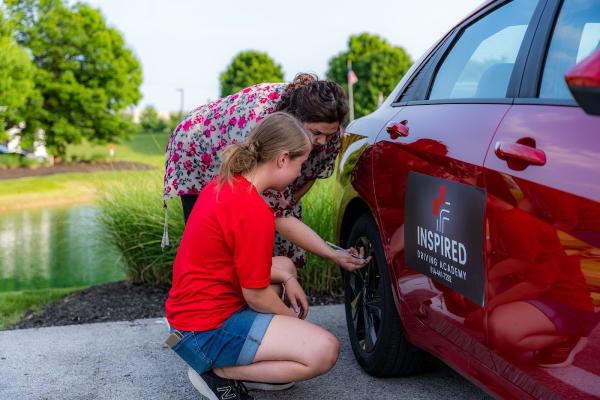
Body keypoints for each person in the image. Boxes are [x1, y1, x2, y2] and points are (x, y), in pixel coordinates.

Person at [165, 113, 368, 400]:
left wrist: (287, 276)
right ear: (283, 158)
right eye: (299, 164)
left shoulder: (226, 184)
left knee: (284, 265)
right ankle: (218, 372)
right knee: (323, 350)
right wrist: (295, 325)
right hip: (204, 331)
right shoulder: (253, 210)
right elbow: (256, 296)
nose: (300, 173)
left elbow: (243, 271)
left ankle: (251, 362)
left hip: (187, 316)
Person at [163, 73, 364, 272]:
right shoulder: (261, 124)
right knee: (217, 241)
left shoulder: (329, 136)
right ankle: (225, 291)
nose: (322, 141)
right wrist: (331, 253)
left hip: (255, 148)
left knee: (271, 233)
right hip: (200, 145)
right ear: (295, 121)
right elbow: (278, 215)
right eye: (316, 133)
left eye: (329, 134)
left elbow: (307, 178)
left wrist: (287, 202)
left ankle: (259, 282)